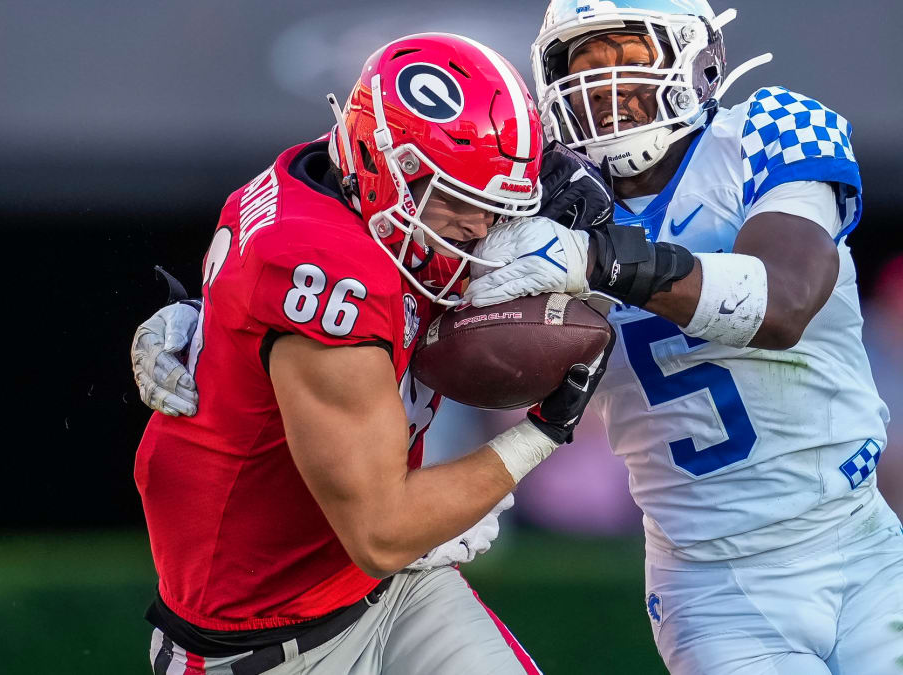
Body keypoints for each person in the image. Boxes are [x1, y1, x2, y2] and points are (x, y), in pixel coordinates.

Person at [134, 2, 903, 672]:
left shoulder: (767, 133)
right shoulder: (523, 197)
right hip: (713, 571)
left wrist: (603, 259)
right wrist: (220, 323)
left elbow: (782, 301)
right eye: (582, 64)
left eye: (627, 54)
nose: (606, 85)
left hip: (855, 539)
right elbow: (373, 240)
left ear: (697, 56)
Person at [131, 33, 610, 675]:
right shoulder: (325, 274)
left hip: (392, 590)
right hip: (260, 639)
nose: (479, 230)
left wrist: (209, 322)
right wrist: (545, 432)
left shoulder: (333, 175)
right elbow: (382, 532)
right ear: (385, 167)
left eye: (497, 209)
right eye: (460, 203)